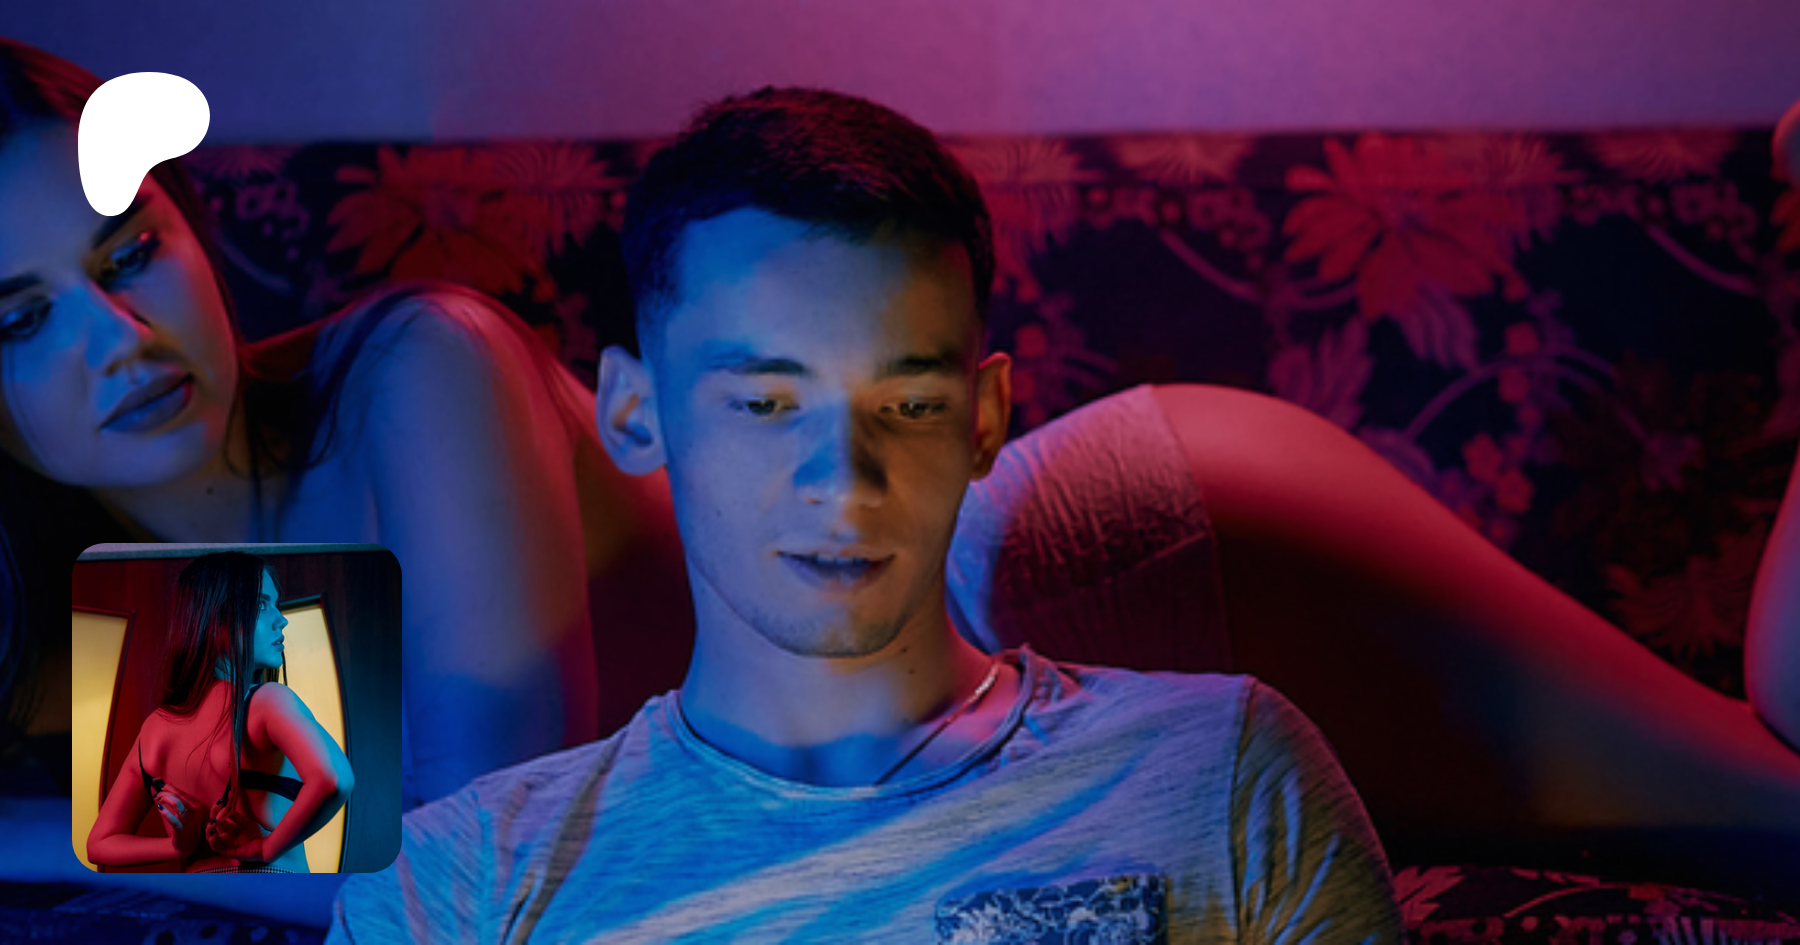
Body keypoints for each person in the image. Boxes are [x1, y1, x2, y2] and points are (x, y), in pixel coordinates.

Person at [331, 86, 1402, 942]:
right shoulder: (454, 883)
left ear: (983, 418)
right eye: (765, 404)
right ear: (634, 414)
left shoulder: (1223, 770)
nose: (845, 481)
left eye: (910, 404)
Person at [0, 36, 688, 809]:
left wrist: (53, 832)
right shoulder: (59, 600)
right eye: (22, 320)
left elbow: (492, 843)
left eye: (131, 255)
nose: (121, 339)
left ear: (193, 229)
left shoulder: (428, 366)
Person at [84, 551, 353, 872]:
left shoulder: (154, 729)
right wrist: (266, 848)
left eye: (276, 605)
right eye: (261, 605)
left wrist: (175, 847)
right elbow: (335, 779)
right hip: (270, 883)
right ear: (214, 619)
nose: (281, 620)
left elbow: (99, 844)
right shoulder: (268, 702)